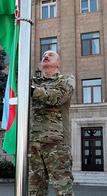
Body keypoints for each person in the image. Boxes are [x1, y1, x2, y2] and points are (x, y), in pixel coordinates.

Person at [29, 50, 75, 196]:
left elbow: (57, 97)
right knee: (35, 190)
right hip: (33, 143)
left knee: (63, 190)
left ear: (58, 63)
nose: (46, 56)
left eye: (51, 55)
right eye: (43, 55)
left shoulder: (66, 79)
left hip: (57, 143)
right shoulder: (33, 82)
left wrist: (33, 91)